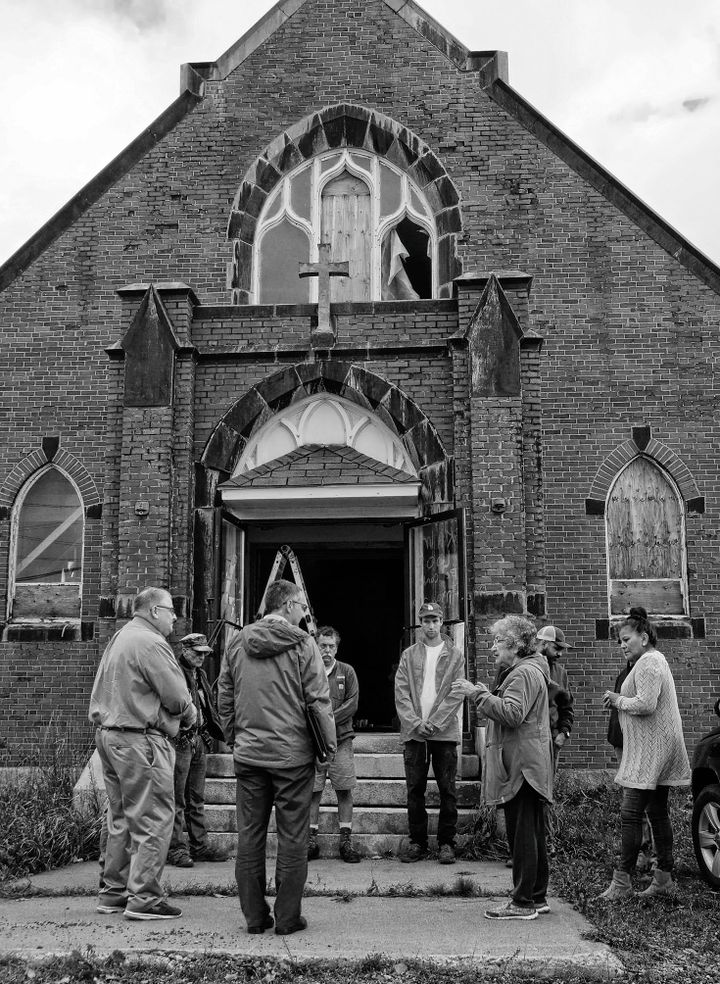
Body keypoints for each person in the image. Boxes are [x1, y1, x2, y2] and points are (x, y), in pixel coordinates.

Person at [217, 579, 335, 936]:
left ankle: (254, 918)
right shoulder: (304, 645)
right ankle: (287, 918)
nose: (305, 612)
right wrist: (326, 748)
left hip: (250, 756)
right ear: (285, 606)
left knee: (249, 837)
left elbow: (224, 693)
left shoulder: (237, 642)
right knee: (293, 838)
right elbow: (318, 700)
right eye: (301, 605)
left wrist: (233, 737)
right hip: (292, 758)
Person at [89, 587, 196, 921]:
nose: (175, 616)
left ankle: (113, 893)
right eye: (170, 610)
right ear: (153, 612)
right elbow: (178, 698)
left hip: (110, 735)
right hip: (140, 740)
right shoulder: (151, 643)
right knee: (152, 817)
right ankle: (145, 898)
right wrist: (191, 715)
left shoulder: (121, 637)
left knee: (120, 818)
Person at [452, 614, 553, 921]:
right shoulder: (531, 668)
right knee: (533, 831)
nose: (492, 647)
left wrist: (478, 694)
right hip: (530, 763)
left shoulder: (523, 674)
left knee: (522, 834)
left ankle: (522, 903)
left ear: (516, 644)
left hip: (521, 765)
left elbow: (512, 714)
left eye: (497, 641)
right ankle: (537, 896)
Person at [599, 606, 691, 899]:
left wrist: (617, 700)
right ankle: (663, 879)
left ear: (645, 637)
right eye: (619, 641)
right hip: (655, 747)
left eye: (627, 639)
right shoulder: (649, 661)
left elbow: (646, 703)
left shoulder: (650, 662)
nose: (622, 645)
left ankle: (622, 882)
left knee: (630, 814)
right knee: (656, 812)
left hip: (653, 751)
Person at [394, 601, 464, 865]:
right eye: (426, 621)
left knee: (448, 790)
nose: (431, 625)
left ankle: (447, 843)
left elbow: (457, 693)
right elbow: (401, 694)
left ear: (442, 622)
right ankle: (418, 843)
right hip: (415, 735)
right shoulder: (409, 655)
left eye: (435, 621)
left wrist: (433, 722)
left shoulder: (455, 655)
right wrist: (415, 723)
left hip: (443, 733)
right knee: (415, 790)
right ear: (420, 624)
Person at [167, 633, 229, 867]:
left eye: (205, 653)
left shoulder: (200, 675)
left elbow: (208, 708)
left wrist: (218, 733)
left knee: (196, 798)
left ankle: (199, 846)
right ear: (185, 650)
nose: (202, 657)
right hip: (180, 741)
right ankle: (175, 848)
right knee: (177, 799)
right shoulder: (174, 674)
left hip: (198, 740)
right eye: (198, 652)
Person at [308, 626, 362, 863]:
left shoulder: (347, 672)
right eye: (323, 645)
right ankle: (310, 840)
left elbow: (352, 704)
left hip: (341, 741)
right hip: (314, 743)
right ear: (316, 646)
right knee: (313, 791)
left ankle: (345, 841)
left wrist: (326, 720)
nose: (327, 650)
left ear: (337, 648)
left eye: (331, 646)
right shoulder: (309, 672)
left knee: (344, 790)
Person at [535, 625, 574, 767]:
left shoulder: (560, 673)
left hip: (551, 739)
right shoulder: (524, 668)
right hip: (528, 740)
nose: (560, 654)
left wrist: (564, 732)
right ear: (543, 644)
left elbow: (567, 707)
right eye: (556, 649)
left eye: (561, 650)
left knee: (548, 785)